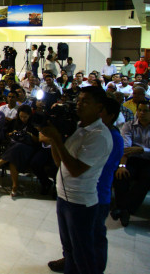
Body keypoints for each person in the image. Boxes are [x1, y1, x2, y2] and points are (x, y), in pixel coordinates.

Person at [38, 86, 112, 274]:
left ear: (99, 107)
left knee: (83, 254)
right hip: (64, 196)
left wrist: (56, 139)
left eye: (85, 101)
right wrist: (54, 140)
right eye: (78, 100)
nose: (79, 104)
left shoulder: (99, 136)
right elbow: (59, 162)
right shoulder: (79, 128)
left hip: (80, 202)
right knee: (69, 251)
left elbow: (76, 169)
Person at [111, 100, 150, 227]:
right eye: (140, 110)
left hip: (148, 161)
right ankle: (124, 209)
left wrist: (142, 149)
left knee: (146, 179)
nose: (142, 113)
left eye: (146, 111)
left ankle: (124, 209)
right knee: (121, 175)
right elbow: (126, 148)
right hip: (131, 159)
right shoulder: (129, 125)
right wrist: (122, 166)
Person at [0, 105, 39, 197]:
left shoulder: (33, 124)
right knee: (13, 157)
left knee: (16, 150)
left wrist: (29, 134)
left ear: (29, 116)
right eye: (21, 116)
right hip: (14, 146)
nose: (23, 119)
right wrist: (12, 133)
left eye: (25, 117)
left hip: (28, 148)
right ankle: (14, 185)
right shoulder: (15, 122)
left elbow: (37, 140)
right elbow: (7, 134)